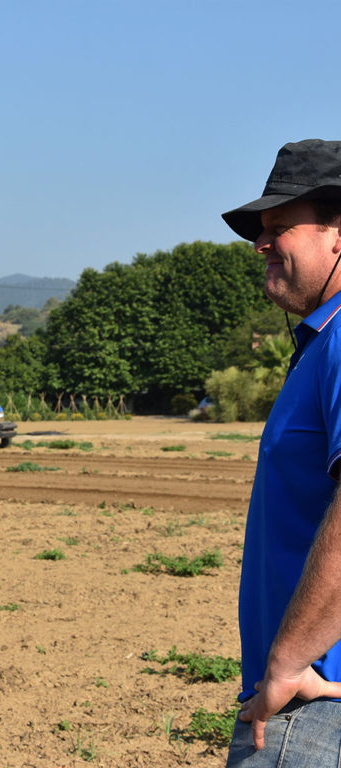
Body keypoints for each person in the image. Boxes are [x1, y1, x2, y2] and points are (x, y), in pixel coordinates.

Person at [221, 139, 341, 765]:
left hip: (312, 706)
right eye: (258, 231)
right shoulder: (319, 342)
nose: (261, 244)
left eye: (279, 227)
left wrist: (291, 662)